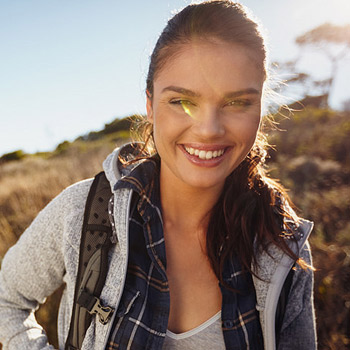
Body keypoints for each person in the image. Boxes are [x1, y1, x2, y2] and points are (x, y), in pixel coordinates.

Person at [0, 1, 316, 349]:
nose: (208, 129)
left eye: (236, 102)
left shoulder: (281, 244)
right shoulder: (83, 212)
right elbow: (6, 300)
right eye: (183, 101)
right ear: (150, 104)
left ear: (260, 107)